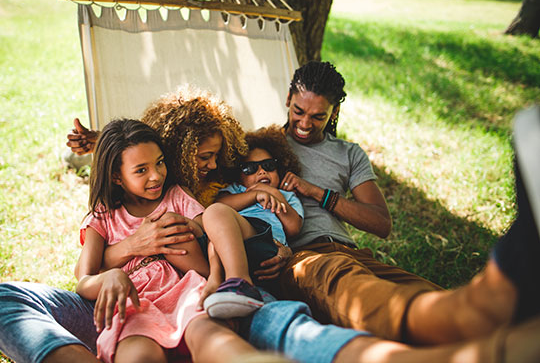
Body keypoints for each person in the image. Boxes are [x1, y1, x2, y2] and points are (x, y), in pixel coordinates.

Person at [2, 85, 540, 362]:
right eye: (202, 157)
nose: (215, 165)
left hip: (226, 285)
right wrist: (125, 247)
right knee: (326, 291)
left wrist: (285, 194)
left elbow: (213, 209)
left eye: (220, 156)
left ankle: (490, 312)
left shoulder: (211, 183)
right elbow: (131, 163)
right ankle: (481, 314)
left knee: (356, 288)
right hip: (167, 299)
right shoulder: (162, 191)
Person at [277, 61, 539, 346]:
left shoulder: (348, 153)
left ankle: (508, 328)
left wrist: (318, 192)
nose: (304, 124)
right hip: (305, 257)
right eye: (298, 111)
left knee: (427, 293)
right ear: (288, 100)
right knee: (358, 292)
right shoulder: (267, 147)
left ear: (334, 112)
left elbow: (380, 223)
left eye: (318, 116)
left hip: (354, 254)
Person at [75, 118, 259, 362]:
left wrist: (214, 276)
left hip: (187, 291)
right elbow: (83, 280)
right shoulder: (104, 215)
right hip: (134, 303)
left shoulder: (177, 197)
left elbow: (215, 235)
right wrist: (111, 275)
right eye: (141, 170)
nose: (156, 175)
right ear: (116, 177)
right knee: (138, 355)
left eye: (159, 163)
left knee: (210, 337)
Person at [212, 125, 304, 297]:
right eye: (250, 168)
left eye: (269, 165)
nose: (261, 171)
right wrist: (256, 195)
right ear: (238, 174)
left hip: (269, 245)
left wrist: (275, 194)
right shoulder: (236, 190)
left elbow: (293, 228)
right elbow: (219, 206)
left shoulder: (287, 196)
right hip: (235, 242)